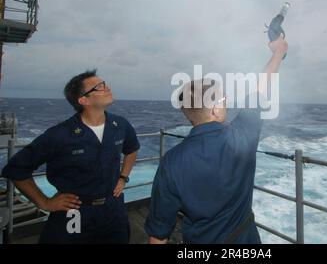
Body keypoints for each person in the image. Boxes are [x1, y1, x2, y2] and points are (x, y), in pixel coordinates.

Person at [145, 36, 288, 244]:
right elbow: (260, 88)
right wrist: (278, 52)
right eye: (223, 98)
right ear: (214, 108)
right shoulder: (241, 136)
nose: (227, 101)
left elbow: (158, 235)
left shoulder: (171, 162)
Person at [1, 70, 140, 243]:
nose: (107, 88)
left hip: (113, 209)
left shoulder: (120, 124)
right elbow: (16, 169)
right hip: (75, 212)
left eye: (104, 83)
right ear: (84, 100)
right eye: (99, 87)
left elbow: (132, 148)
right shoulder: (60, 135)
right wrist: (44, 203)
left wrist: (123, 177)